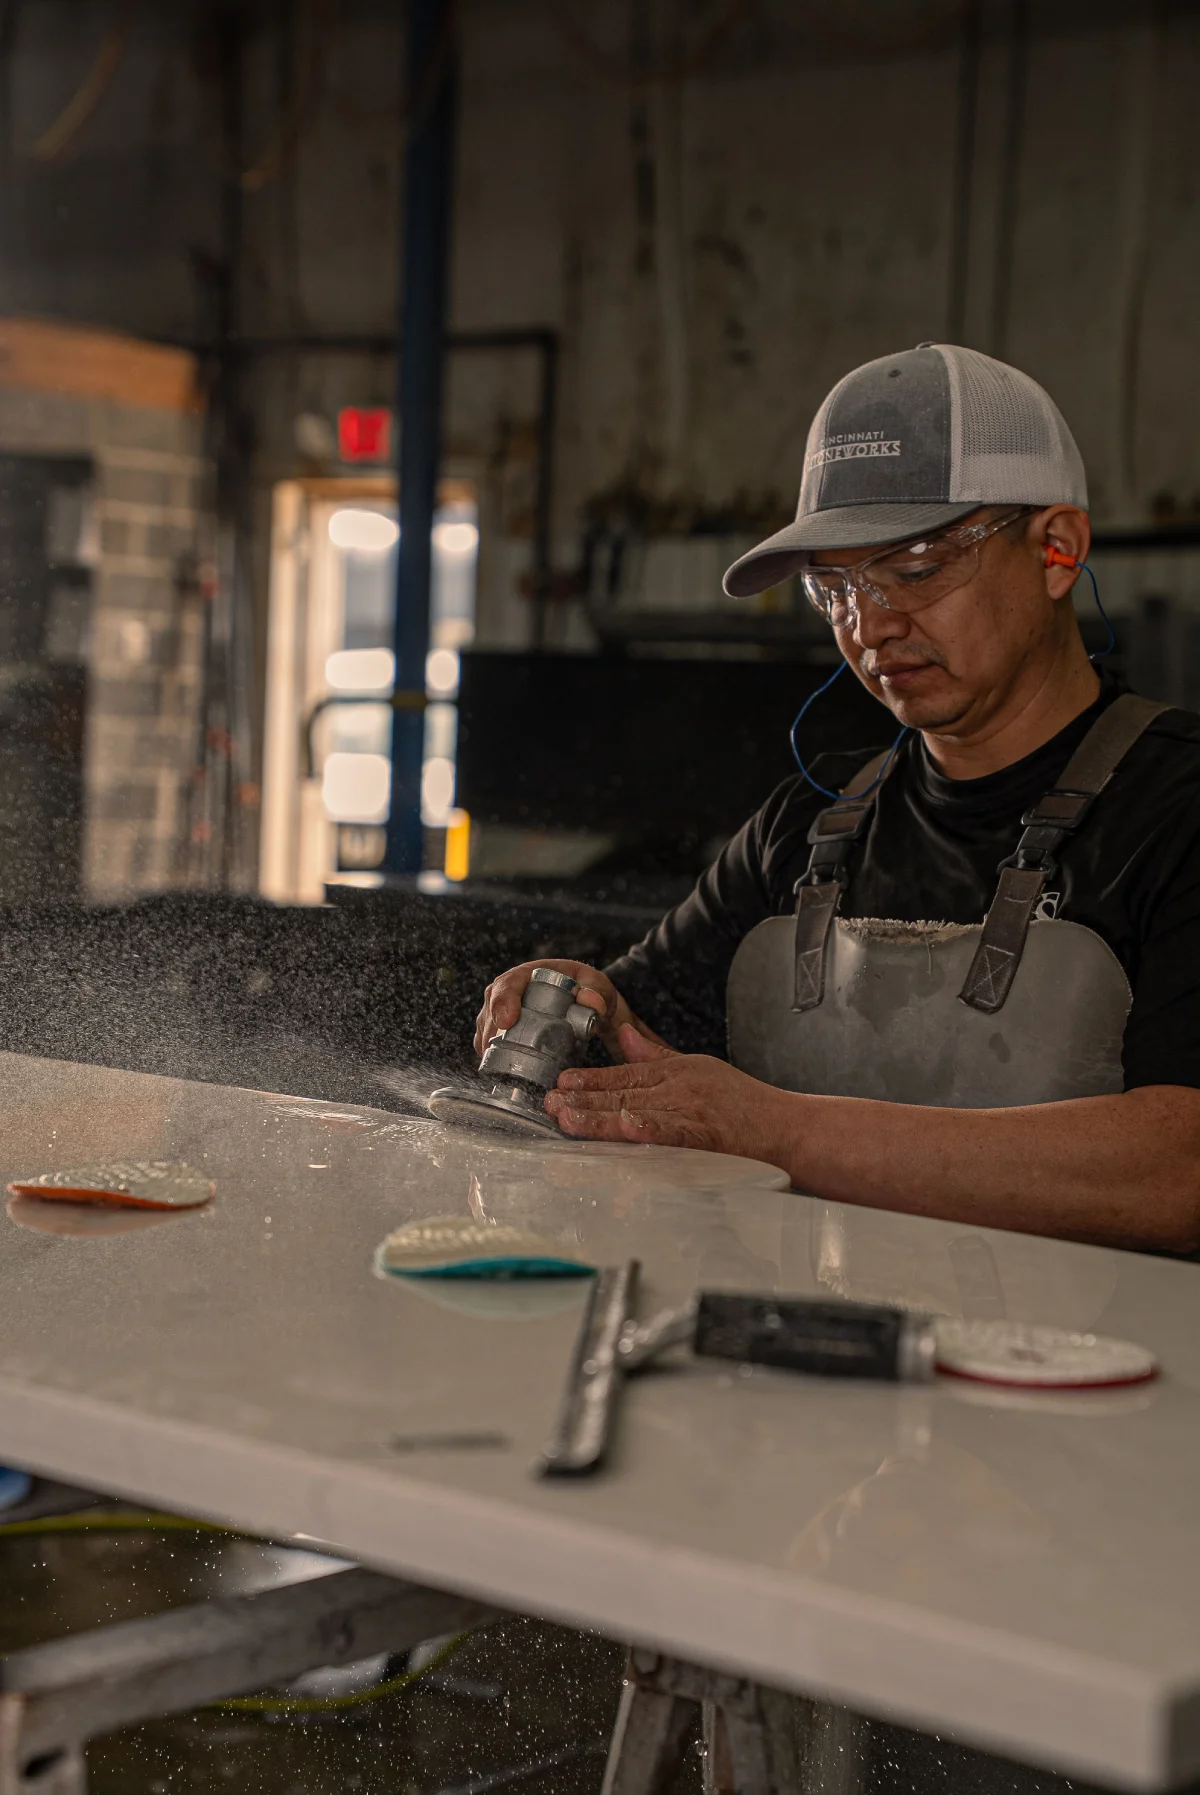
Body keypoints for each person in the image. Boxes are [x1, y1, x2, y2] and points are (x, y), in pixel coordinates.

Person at [475, 344, 1200, 1253]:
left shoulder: (1177, 809)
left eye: (920, 566)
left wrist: (780, 1130)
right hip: (806, 1375)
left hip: (1107, 1385)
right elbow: (645, 1038)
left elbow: (1182, 1170)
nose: (871, 624)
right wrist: (588, 1014)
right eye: (837, 585)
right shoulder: (808, 828)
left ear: (1059, 549)